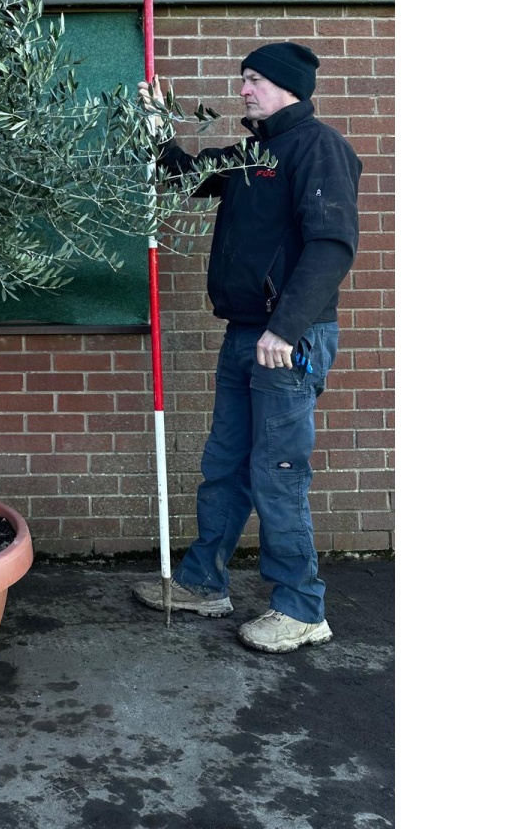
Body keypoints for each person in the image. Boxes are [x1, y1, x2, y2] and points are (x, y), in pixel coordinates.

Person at [132, 41, 362, 653]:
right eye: (243, 79)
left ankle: (301, 608)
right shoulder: (252, 154)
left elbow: (331, 247)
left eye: (255, 79)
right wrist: (155, 131)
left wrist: (284, 330)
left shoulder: (319, 149)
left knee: (276, 472)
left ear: (289, 87)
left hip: (287, 341)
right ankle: (203, 582)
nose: (244, 89)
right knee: (225, 463)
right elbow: (184, 175)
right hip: (243, 336)